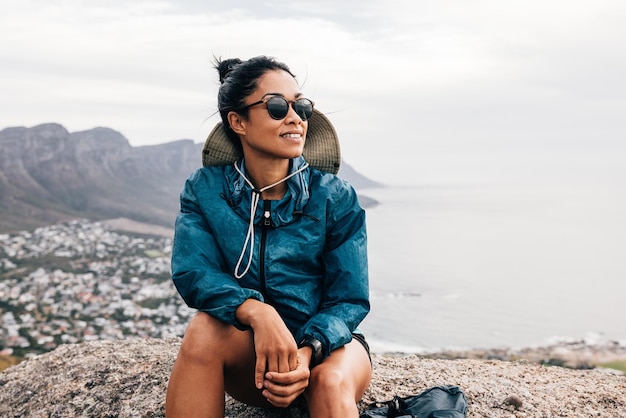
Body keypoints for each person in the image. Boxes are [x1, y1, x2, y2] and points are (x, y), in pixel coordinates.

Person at [165, 55, 371, 417]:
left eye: (301, 106)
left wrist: (307, 350)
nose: (295, 118)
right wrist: (258, 312)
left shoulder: (335, 196)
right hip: (253, 355)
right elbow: (193, 272)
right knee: (202, 331)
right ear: (238, 121)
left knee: (330, 383)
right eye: (277, 106)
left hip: (328, 350)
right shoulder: (206, 190)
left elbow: (349, 299)